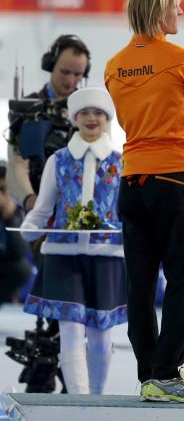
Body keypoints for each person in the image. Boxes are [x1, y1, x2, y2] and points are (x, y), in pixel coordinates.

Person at [105, 0, 184, 403]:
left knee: (140, 283)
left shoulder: (114, 65)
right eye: (177, 6)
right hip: (176, 178)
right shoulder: (182, 59)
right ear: (160, 12)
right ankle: (166, 373)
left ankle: (150, 374)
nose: (182, 14)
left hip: (132, 182)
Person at [20, 87, 126, 395]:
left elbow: (129, 211)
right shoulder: (59, 160)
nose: (92, 118)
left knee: (100, 334)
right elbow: (43, 207)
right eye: (84, 113)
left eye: (99, 113)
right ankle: (78, 402)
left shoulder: (123, 163)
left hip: (108, 254)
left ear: (108, 119)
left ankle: (96, 397)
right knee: (69, 329)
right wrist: (31, 227)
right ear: (73, 118)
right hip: (63, 254)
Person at [6, 34, 90, 213]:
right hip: (33, 208)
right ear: (50, 65)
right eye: (65, 72)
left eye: (77, 75)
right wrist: (30, 200)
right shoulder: (26, 109)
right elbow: (16, 165)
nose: (70, 81)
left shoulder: (91, 112)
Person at [0, 160, 32, 307]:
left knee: (22, 268)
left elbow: (21, 252)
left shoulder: (13, 208)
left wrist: (10, 217)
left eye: (2, 189)